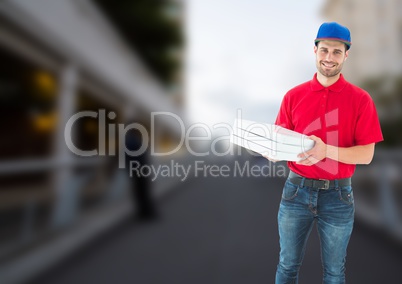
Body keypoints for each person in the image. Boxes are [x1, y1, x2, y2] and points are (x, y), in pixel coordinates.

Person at [267, 22, 383, 283]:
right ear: (315, 50)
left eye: (336, 52)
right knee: (287, 266)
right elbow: (279, 140)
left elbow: (366, 154)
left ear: (346, 55)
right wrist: (272, 151)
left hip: (338, 196)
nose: (329, 58)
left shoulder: (361, 99)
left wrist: (326, 150)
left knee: (334, 272)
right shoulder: (293, 96)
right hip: (296, 192)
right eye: (324, 50)